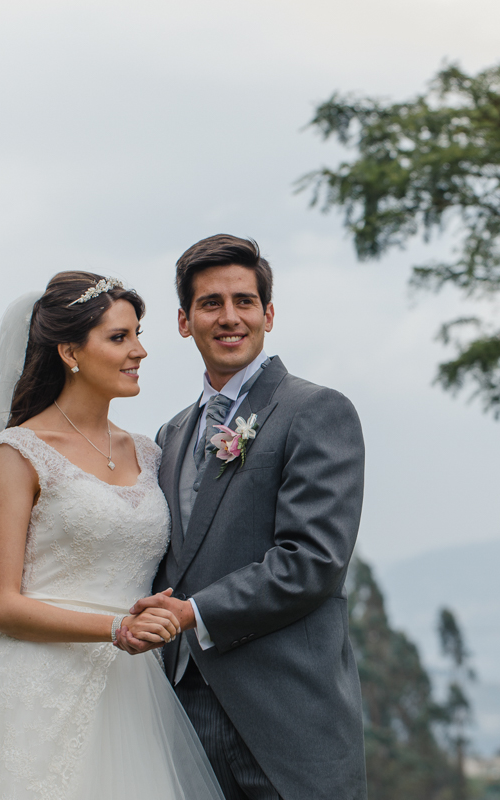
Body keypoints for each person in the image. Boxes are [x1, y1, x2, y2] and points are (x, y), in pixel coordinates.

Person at [0, 273, 226, 800]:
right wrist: (114, 627)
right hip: (32, 693)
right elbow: (0, 605)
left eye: (138, 334)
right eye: (119, 337)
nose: (141, 351)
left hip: (132, 692)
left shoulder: (151, 453)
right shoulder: (18, 452)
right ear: (69, 352)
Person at [118, 235, 367, 800]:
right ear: (185, 322)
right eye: (211, 304)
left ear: (268, 314)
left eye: (244, 301)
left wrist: (189, 614)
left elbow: (313, 561)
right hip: (184, 712)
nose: (229, 317)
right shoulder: (172, 434)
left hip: (286, 718)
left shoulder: (316, 411)